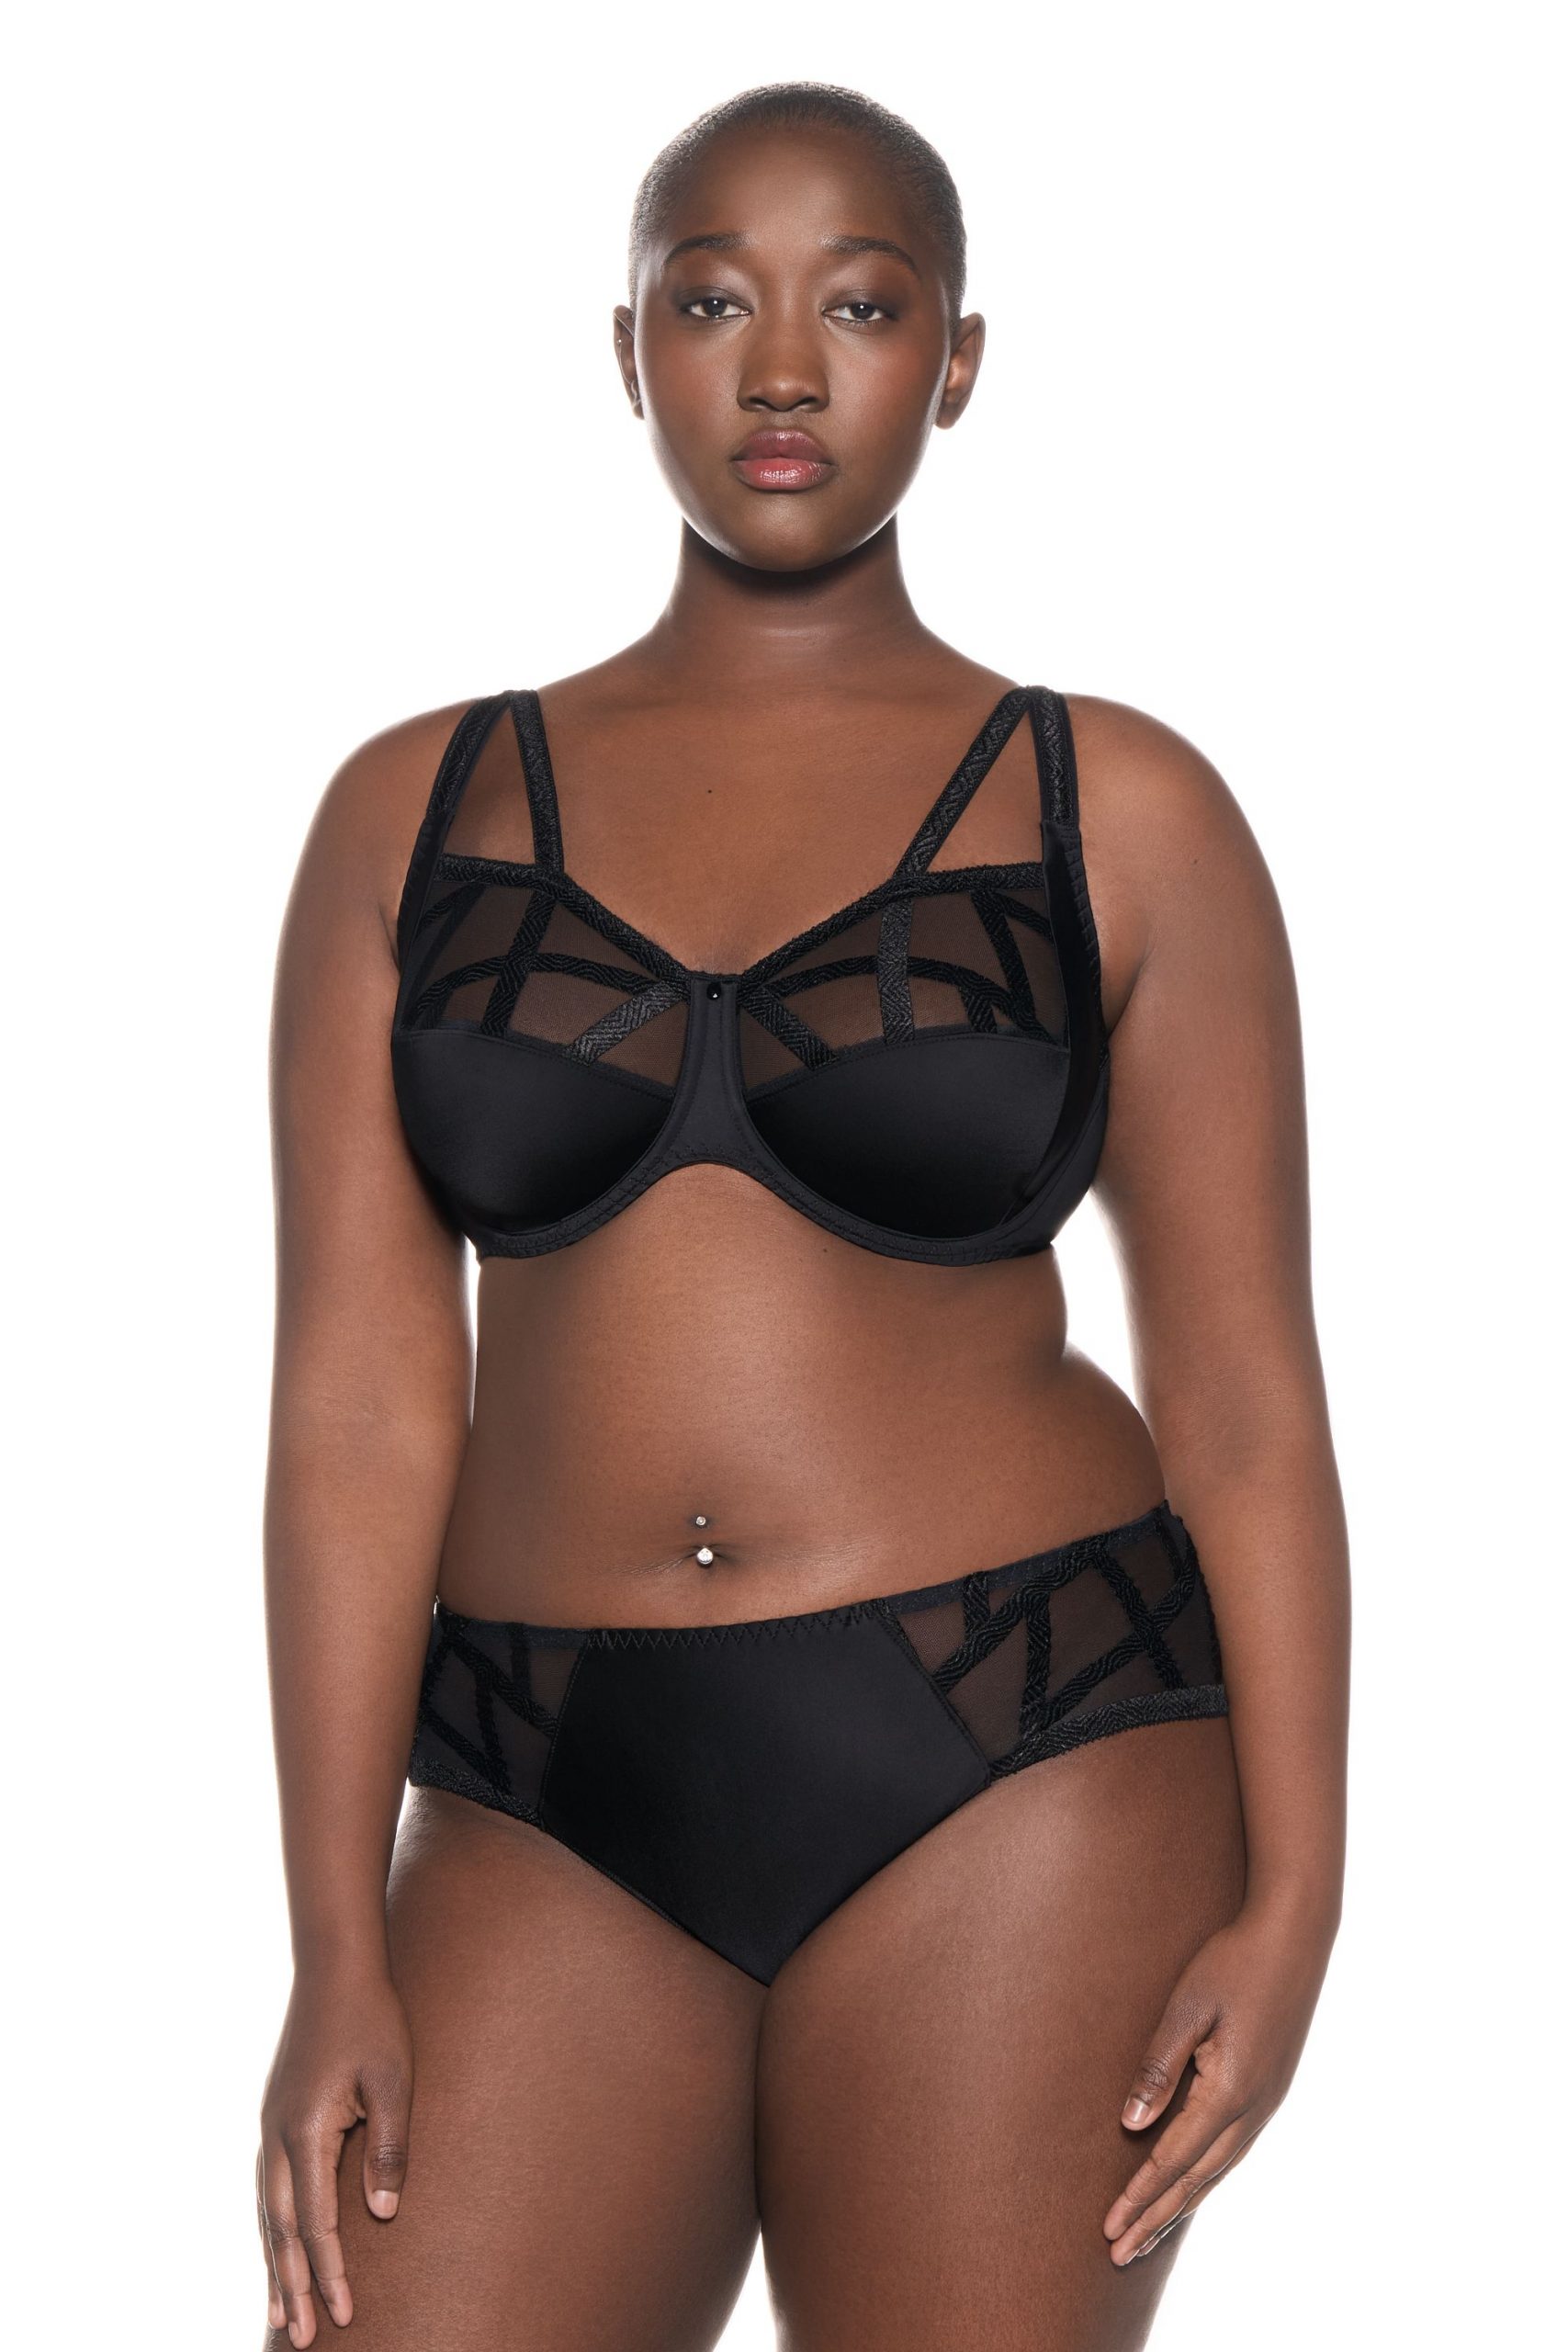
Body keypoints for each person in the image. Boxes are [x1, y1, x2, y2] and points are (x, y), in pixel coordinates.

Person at [255, 79, 1349, 2352]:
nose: (777, 368)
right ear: (624, 349)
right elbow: (358, 1409)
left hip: (1021, 1745)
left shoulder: (1117, 805)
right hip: (538, 1779)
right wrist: (334, 1937)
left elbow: (1242, 1399)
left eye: (856, 305)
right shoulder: (411, 813)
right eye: (707, 302)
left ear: (953, 360)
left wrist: (1301, 1896)